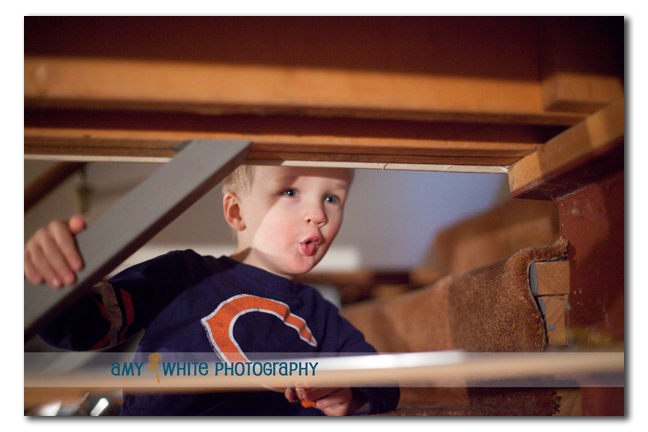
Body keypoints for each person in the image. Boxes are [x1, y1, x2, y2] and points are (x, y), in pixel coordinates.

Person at [24, 165, 400, 416]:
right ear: (236, 212)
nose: (318, 214)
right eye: (290, 191)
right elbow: (89, 328)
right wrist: (56, 279)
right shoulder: (182, 273)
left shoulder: (320, 312)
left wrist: (351, 394)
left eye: (332, 198)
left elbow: (383, 381)